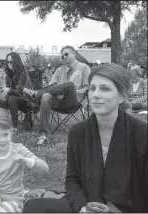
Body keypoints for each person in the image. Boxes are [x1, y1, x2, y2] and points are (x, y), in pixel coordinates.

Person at [23, 63, 148, 213]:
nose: (96, 94)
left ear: (121, 96)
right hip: (88, 205)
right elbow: (72, 180)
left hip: (127, 209)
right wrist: (81, 207)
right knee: (33, 207)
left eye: (105, 88)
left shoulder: (141, 133)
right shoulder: (78, 132)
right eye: (93, 88)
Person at [23, 46, 90, 145]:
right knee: (46, 96)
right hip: (58, 102)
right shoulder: (59, 70)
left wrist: (72, 90)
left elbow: (87, 88)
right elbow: (51, 86)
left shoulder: (84, 68)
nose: (64, 57)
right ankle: (43, 135)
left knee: (69, 84)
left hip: (74, 101)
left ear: (74, 53)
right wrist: (56, 91)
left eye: (66, 54)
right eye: (62, 56)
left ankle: (36, 93)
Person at [1, 52, 34, 132]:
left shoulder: (23, 72)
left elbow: (20, 91)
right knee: (0, 99)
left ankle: (14, 127)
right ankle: (2, 124)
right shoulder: (8, 74)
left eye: (11, 62)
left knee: (12, 98)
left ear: (16, 61)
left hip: (28, 100)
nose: (9, 64)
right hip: (15, 99)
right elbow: (10, 90)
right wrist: (4, 92)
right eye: (7, 62)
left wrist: (9, 90)